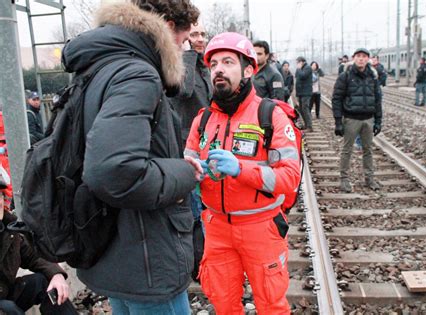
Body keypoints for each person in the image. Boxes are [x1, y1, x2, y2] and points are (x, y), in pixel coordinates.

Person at [60, 0, 202, 313]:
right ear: (165, 25)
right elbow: (113, 171)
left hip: (116, 248)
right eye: (184, 38)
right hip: (148, 257)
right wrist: (182, 174)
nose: (184, 47)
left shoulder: (101, 66)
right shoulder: (137, 74)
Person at [185, 32, 301, 314]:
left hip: (261, 226)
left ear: (248, 70)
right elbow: (187, 165)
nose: (219, 70)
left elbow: (289, 178)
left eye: (228, 62)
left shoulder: (270, 115)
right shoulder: (203, 120)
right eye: (213, 65)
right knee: (223, 305)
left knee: (271, 305)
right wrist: (193, 175)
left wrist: (240, 169)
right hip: (216, 228)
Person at [169, 20, 212, 281]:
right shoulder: (179, 64)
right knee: (194, 211)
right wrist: (187, 55)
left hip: (208, 144)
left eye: (202, 34)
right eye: (193, 34)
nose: (199, 38)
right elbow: (183, 92)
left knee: (206, 208)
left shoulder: (205, 66)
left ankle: (205, 260)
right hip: (186, 146)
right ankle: (197, 266)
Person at [0, 181, 77, 315]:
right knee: (8, 309)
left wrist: (56, 274)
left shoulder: (8, 228)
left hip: (5, 293)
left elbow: (33, 256)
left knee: (45, 282)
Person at [332, 48, 382, 193]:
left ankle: (369, 178)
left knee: (368, 150)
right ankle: (344, 179)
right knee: (347, 150)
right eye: (358, 56)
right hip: (351, 119)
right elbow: (337, 99)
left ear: (368, 59)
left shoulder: (372, 77)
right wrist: (338, 122)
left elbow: (377, 99)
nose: (361, 59)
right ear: (354, 58)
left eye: (364, 56)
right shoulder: (345, 76)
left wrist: (378, 120)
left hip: (368, 119)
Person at [295, 56, 313, 131]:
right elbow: (297, 77)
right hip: (301, 92)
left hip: (306, 92)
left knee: (305, 108)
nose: (297, 64)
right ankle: (306, 125)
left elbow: (303, 76)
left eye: (297, 62)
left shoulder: (308, 68)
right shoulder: (301, 69)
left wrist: (298, 69)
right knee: (301, 109)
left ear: (301, 62)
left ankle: (309, 126)